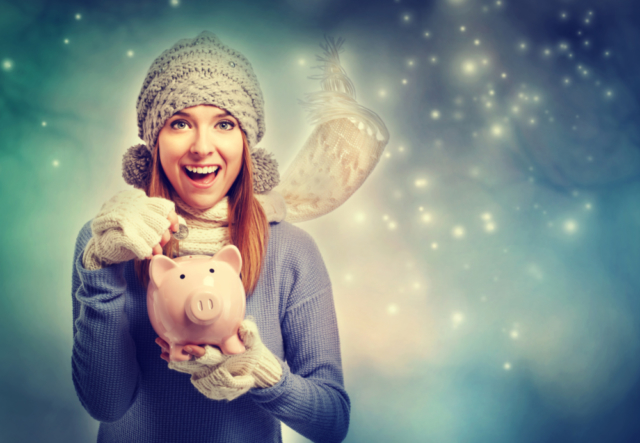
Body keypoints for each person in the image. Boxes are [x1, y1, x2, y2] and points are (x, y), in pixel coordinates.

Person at [71, 31, 388, 443]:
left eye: (224, 123)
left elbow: (331, 422)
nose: (202, 147)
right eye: (180, 123)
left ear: (246, 142)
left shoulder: (290, 251)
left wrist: (263, 372)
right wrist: (101, 269)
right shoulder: (108, 241)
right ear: (153, 142)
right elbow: (105, 405)